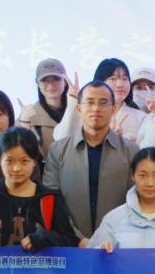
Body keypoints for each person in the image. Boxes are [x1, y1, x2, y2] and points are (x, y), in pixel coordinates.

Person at [44, 81, 139, 244]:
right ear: (79, 109)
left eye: (103, 103)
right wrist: (77, 239)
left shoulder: (131, 151)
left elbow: (136, 200)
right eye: (89, 102)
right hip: (70, 244)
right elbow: (51, 200)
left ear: (113, 109)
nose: (96, 108)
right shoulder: (58, 150)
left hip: (117, 244)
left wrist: (111, 238)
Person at [0, 127, 78, 251]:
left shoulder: (51, 199)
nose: (16, 168)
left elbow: (70, 241)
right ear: (0, 160)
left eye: (24, 161)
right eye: (9, 161)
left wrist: (45, 238)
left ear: (34, 162)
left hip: (39, 264)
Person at [53, 58, 147, 145]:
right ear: (99, 82)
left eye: (125, 78)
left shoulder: (140, 117)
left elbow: (144, 152)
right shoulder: (85, 113)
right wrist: (74, 101)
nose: (120, 84)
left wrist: (119, 141)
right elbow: (62, 139)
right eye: (113, 78)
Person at [16, 58, 68, 158]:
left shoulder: (79, 111)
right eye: (44, 80)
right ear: (38, 84)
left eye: (56, 78)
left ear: (65, 81)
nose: (51, 84)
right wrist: (24, 123)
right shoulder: (28, 117)